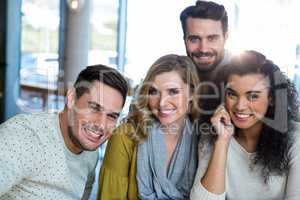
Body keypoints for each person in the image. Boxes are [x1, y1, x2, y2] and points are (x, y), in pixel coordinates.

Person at [0, 64, 128, 200]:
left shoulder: (91, 153)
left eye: (111, 116)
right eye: (95, 108)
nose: (101, 125)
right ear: (72, 98)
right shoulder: (24, 135)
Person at [190, 50, 300, 200]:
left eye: (253, 96)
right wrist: (222, 141)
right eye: (232, 94)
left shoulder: (295, 139)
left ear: (272, 99)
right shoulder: (213, 135)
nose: (240, 106)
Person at [97, 54, 201, 200]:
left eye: (173, 91)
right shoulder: (125, 137)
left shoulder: (201, 141)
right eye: (154, 92)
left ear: (191, 93)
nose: (162, 102)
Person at [180, 0, 230, 81]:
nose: (203, 49)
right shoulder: (174, 75)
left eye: (212, 39)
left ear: (225, 37)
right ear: (184, 39)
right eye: (194, 39)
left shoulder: (248, 75)